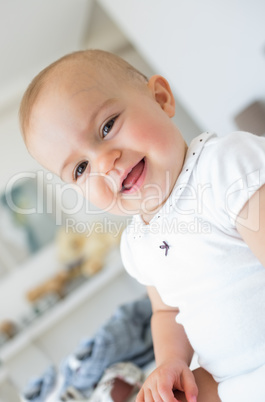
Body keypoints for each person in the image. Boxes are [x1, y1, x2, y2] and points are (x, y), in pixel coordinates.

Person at [19, 49, 265, 402]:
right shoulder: (138, 244)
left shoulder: (225, 166)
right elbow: (166, 311)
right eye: (80, 169)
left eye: (107, 126)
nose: (104, 162)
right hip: (230, 381)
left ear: (160, 98)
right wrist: (169, 363)